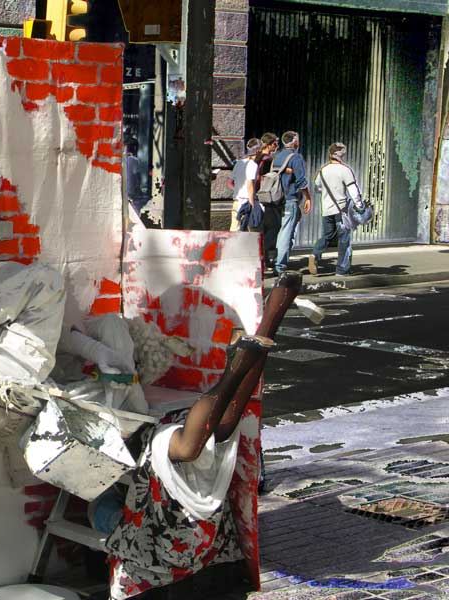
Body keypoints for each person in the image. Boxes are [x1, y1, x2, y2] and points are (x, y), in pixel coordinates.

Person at [103, 272, 303, 598]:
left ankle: (243, 357)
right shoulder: (118, 336)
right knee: (216, 434)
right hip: (183, 510)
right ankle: (253, 342)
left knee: (203, 439)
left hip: (173, 511)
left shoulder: (130, 568)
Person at [308, 143, 362, 277]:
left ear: (330, 154)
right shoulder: (345, 170)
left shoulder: (323, 169)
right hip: (341, 210)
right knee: (344, 239)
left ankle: (315, 254)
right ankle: (342, 270)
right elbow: (353, 190)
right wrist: (359, 205)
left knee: (327, 236)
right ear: (341, 155)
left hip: (326, 209)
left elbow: (317, 188)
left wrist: (327, 192)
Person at [273, 131, 312, 275]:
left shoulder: (277, 157)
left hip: (276, 199)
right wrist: (308, 197)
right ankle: (280, 265)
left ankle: (276, 260)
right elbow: (301, 181)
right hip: (290, 199)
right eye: (298, 139)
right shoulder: (296, 158)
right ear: (295, 142)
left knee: (280, 230)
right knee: (287, 232)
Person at [255, 133, 280, 268]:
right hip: (266, 197)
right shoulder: (268, 159)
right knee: (273, 227)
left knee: (263, 228)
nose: (277, 146)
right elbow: (266, 179)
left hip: (256, 196)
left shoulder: (256, 158)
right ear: (269, 144)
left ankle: (263, 256)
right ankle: (265, 256)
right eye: (275, 143)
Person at [228, 138, 262, 232]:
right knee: (250, 232)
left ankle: (231, 247)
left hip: (236, 201)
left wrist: (238, 190)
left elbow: (229, 182)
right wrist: (252, 204)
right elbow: (250, 185)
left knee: (234, 231)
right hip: (246, 203)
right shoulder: (253, 165)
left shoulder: (239, 163)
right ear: (258, 151)